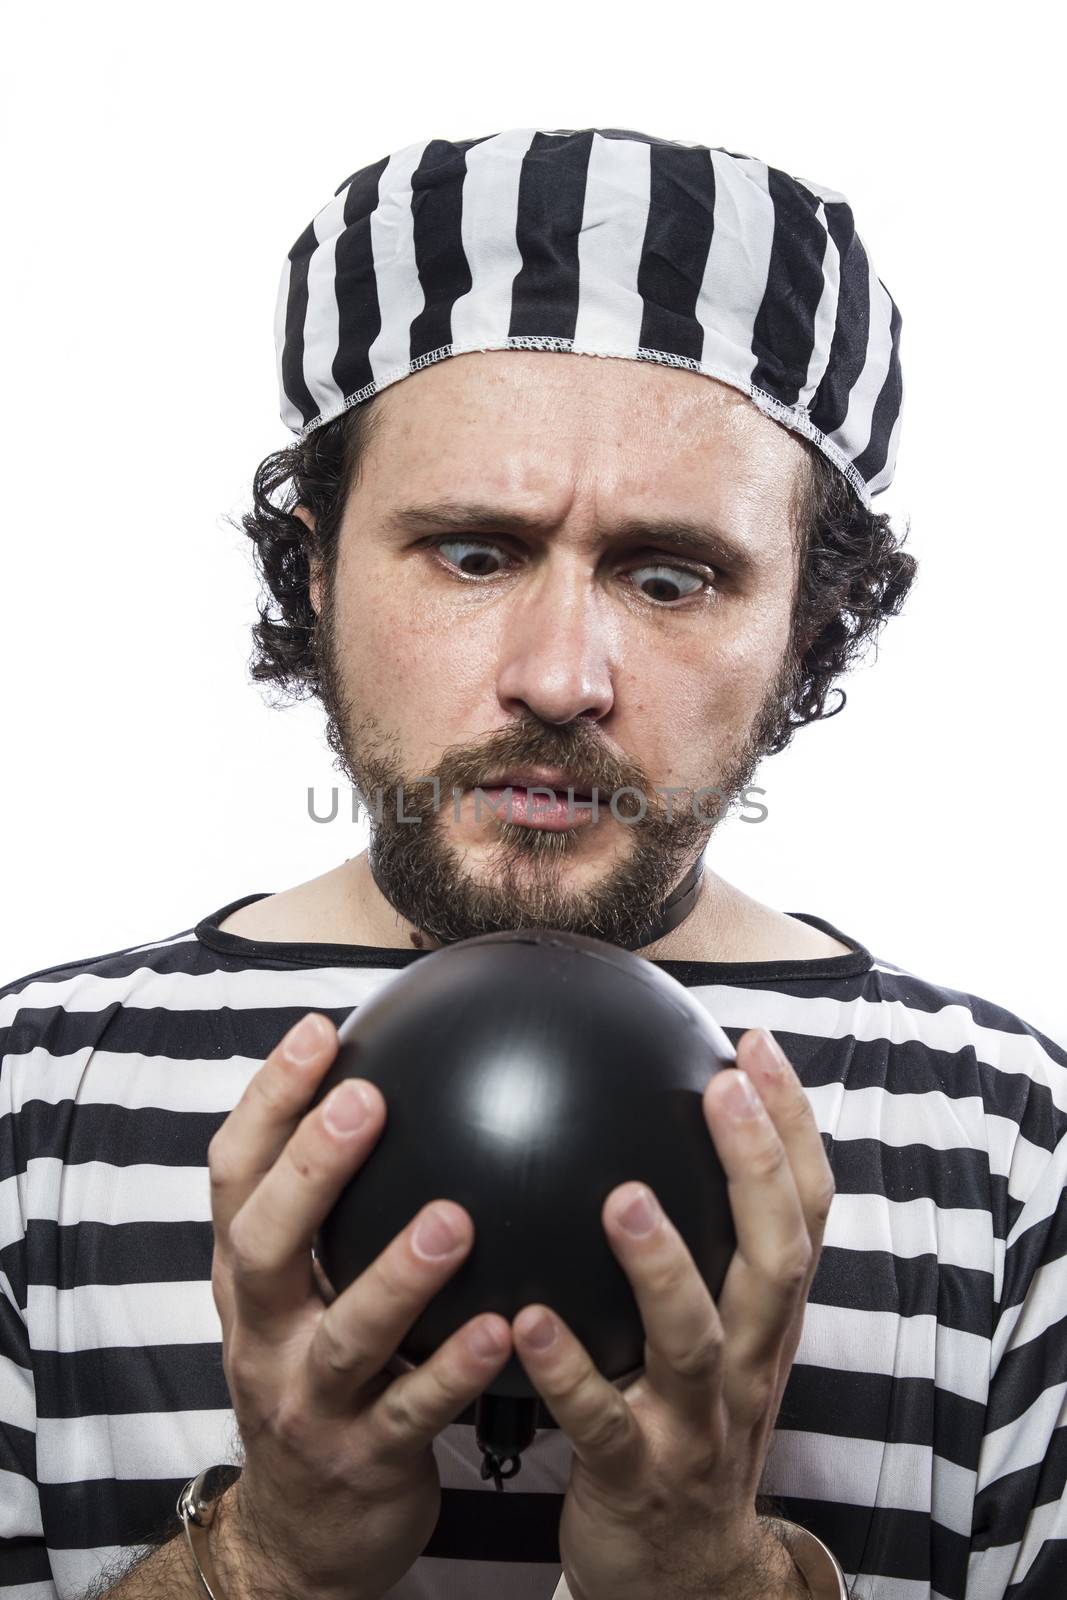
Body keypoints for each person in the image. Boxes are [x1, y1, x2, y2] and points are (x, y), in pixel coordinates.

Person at [1, 126, 1064, 1600]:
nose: (562, 677)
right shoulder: (32, 1109)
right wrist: (260, 1562)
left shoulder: (1016, 1154)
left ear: (810, 622)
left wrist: (722, 1581)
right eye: (475, 553)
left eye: (670, 574)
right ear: (314, 568)